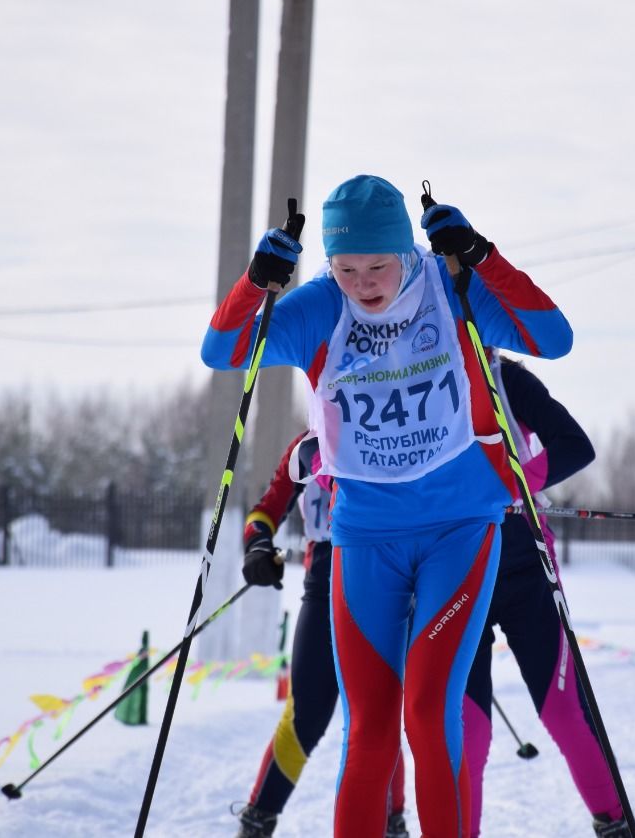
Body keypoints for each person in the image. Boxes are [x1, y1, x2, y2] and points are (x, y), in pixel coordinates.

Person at [202, 174, 573, 837]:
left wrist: (483, 256)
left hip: (460, 527)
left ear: (407, 250)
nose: (365, 282)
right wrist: (257, 281)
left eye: (379, 264)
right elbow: (224, 351)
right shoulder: (321, 306)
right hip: (365, 535)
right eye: (348, 268)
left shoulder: (449, 287)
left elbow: (553, 337)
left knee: (429, 715)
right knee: (368, 725)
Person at [462, 352, 630, 838]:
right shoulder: (417, 376)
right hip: (455, 572)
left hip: (523, 563)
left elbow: (575, 445)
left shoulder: (505, 378)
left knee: (564, 713)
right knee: (467, 735)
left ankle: (614, 822)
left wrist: (510, 485)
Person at [233, 431, 409, 838]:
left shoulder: (387, 431)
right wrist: (259, 546)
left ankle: (391, 821)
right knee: (306, 714)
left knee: (377, 714)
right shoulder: (305, 446)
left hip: (381, 580)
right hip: (325, 580)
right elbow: (265, 510)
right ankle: (258, 819)